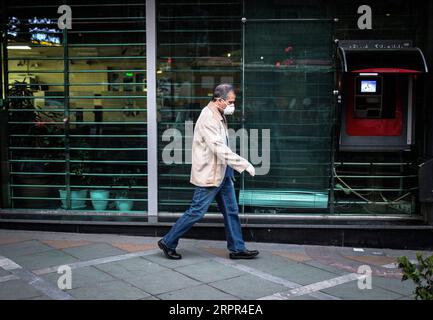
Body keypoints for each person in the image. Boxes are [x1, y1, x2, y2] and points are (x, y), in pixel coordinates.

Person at [158, 84, 259, 260]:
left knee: (231, 211)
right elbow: (219, 148)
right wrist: (243, 164)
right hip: (210, 174)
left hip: (222, 173)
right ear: (219, 100)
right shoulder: (208, 118)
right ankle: (168, 241)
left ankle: (237, 248)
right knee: (197, 211)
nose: (232, 106)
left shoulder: (218, 113)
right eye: (230, 102)